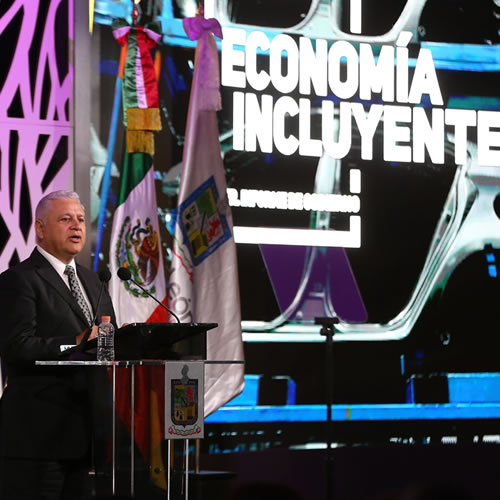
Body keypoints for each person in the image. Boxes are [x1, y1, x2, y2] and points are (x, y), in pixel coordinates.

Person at [0, 190, 116, 500]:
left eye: (80, 219)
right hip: (37, 438)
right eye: (65, 219)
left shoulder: (94, 281)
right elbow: (16, 347)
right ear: (40, 228)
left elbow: (106, 338)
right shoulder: (19, 279)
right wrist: (73, 342)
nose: (77, 226)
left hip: (85, 434)